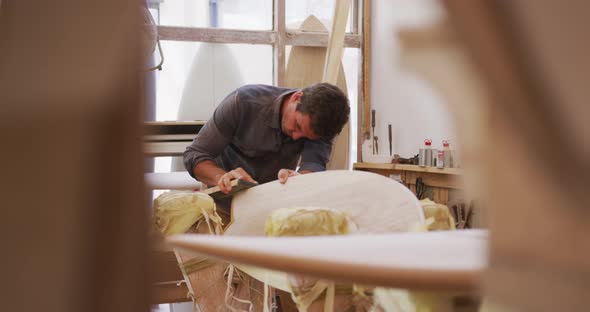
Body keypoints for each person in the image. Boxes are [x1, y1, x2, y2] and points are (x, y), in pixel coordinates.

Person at [183, 83, 350, 194]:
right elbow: (194, 155)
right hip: (224, 199)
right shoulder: (242, 102)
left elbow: (312, 166)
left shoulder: (321, 126)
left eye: (306, 137)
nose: (296, 136)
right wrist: (222, 177)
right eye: (297, 126)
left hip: (272, 202)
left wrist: (299, 179)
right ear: (296, 97)